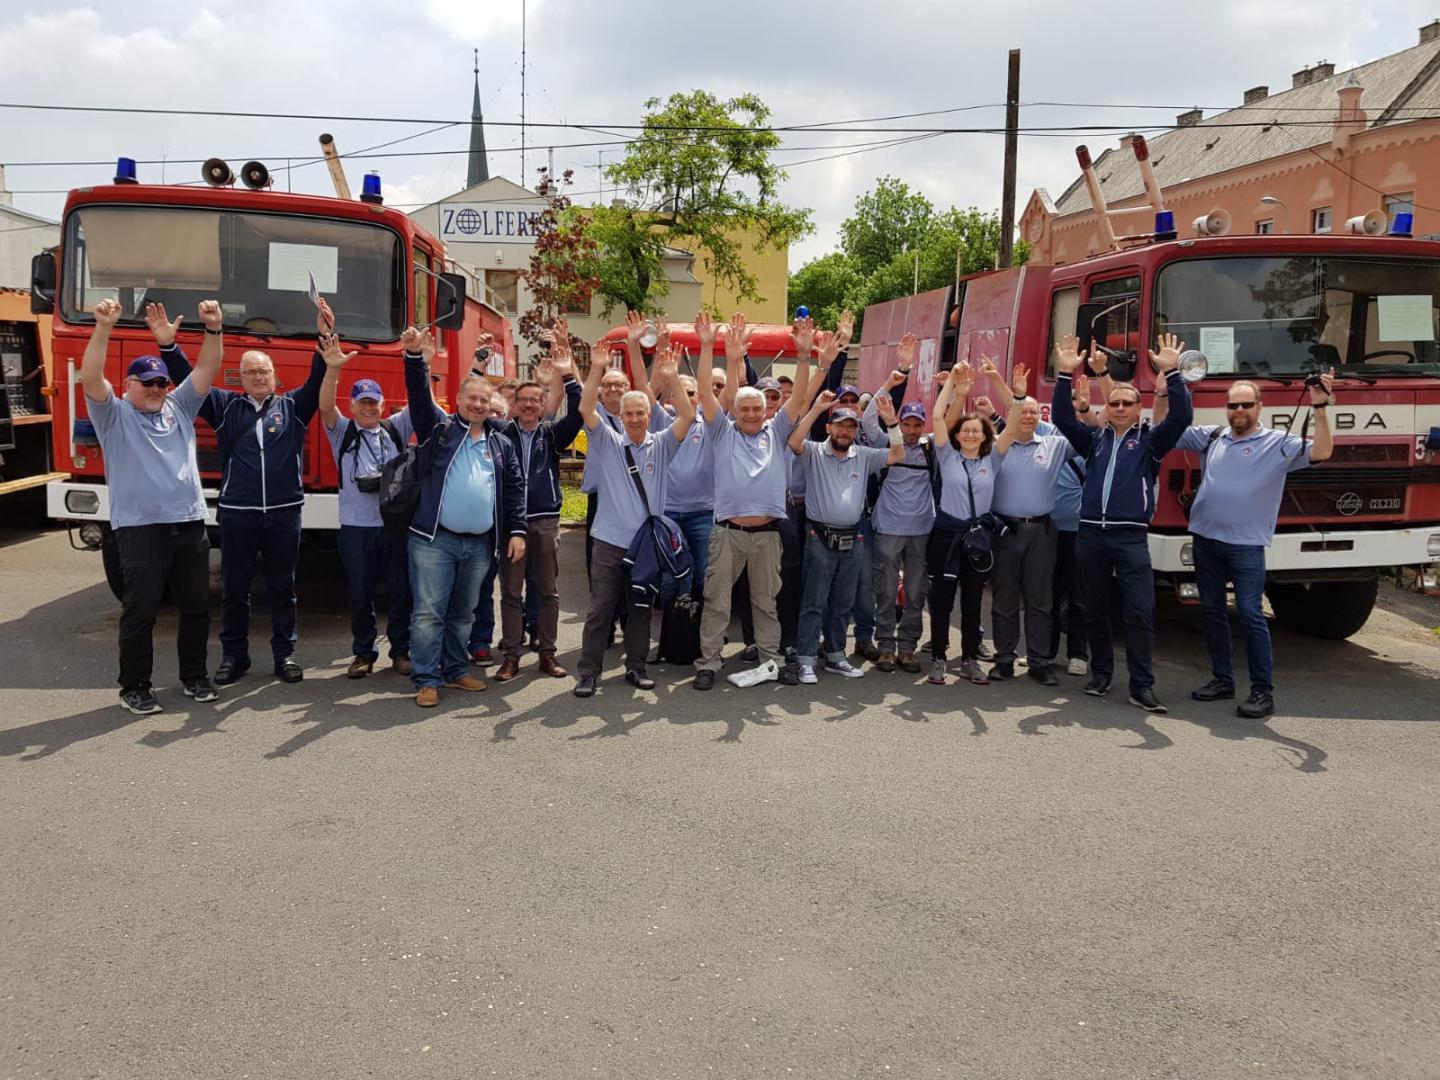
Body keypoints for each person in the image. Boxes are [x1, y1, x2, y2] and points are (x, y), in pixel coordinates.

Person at [158, 303, 327, 686]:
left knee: (283, 589)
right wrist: (169, 347)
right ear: (240, 376)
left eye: (264, 370)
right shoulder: (224, 405)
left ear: (274, 375)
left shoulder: (294, 406)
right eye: (250, 371)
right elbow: (189, 379)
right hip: (238, 513)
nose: (258, 376)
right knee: (234, 591)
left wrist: (323, 332)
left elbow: (319, 376)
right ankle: (235, 657)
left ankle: (285, 655)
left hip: (284, 513)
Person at [83, 298, 223, 715]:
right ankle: (134, 687)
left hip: (189, 523)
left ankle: (194, 677)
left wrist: (213, 328)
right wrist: (103, 328)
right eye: (147, 383)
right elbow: (90, 376)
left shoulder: (179, 407)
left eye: (161, 382)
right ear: (128, 384)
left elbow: (207, 367)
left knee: (196, 608)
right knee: (141, 612)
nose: (156, 389)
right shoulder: (113, 415)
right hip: (140, 528)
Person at [1179, 372, 1334, 719]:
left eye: (1246, 405)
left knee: (1250, 614)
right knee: (1213, 612)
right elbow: (1168, 431)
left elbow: (1323, 451)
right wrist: (1166, 390)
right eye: (1233, 405)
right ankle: (1222, 680)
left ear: (1259, 407)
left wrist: (1320, 406)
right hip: (1205, 539)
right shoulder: (1213, 437)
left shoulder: (1278, 443)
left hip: (1246, 545)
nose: (1239, 411)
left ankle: (1263, 692)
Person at [1052, 332, 1193, 713]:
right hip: (1090, 536)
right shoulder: (1094, 440)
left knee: (1139, 613)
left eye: (1126, 403)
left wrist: (1173, 373)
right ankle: (1101, 675)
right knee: (1094, 610)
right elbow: (1063, 418)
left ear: (1138, 408)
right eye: (1113, 402)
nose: (1118, 407)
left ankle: (1142, 686)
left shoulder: (1151, 441)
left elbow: (1182, 416)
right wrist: (1064, 374)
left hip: (1130, 539)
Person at [402, 328, 527, 708]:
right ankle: (427, 679)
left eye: (484, 400)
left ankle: (456, 670)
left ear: (491, 405)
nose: (478, 405)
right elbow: (418, 397)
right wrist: (414, 358)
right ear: (457, 400)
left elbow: (514, 490)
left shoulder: (501, 443)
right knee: (428, 614)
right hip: (434, 541)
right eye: (471, 398)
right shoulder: (438, 429)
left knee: (462, 614)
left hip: (478, 545)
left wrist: (517, 531)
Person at [692, 312, 814, 690]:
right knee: (717, 602)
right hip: (727, 533)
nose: (750, 414)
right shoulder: (721, 432)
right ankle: (708, 663)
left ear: (766, 412)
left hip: (767, 535)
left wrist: (804, 355)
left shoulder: (776, 432)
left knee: (766, 601)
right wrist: (710, 348)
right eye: (744, 408)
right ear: (736, 411)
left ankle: (771, 661)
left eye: (757, 409)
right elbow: (705, 393)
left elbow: (799, 397)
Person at [574, 342, 694, 697]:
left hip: (645, 547)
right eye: (629, 414)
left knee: (640, 610)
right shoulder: (608, 442)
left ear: (649, 414)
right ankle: (588, 673)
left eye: (641, 413)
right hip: (609, 542)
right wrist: (597, 368)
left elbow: (686, 416)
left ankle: (636, 667)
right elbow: (585, 407)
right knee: (600, 609)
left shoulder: (662, 444)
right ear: (621, 417)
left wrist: (672, 378)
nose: (636, 419)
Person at [316, 328, 421, 679]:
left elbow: (419, 402)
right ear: (353, 406)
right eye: (362, 402)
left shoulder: (394, 428)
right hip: (356, 528)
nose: (368, 408)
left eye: (373, 402)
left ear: (382, 405)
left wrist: (419, 361)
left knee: (401, 592)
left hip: (394, 527)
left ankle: (401, 651)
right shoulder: (342, 432)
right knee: (360, 594)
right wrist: (333, 370)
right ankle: (363, 653)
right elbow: (325, 406)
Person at [788, 387, 904, 684]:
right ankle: (806, 659)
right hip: (819, 537)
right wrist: (816, 408)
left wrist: (892, 423)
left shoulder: (863, 454)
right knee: (814, 601)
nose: (845, 432)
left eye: (851, 427)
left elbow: (897, 454)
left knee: (843, 602)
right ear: (829, 428)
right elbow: (794, 441)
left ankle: (835, 655)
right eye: (839, 426)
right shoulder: (814, 451)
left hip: (853, 538)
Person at [492, 332, 587, 683]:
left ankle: (547, 653)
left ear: (543, 404)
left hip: (546, 522)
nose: (530, 405)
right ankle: (511, 656)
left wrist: (567, 374)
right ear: (514, 406)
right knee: (511, 592)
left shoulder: (551, 434)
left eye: (536, 400)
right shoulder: (500, 435)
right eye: (524, 401)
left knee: (547, 590)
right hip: (511, 525)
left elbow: (578, 412)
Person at [988, 360, 1081, 687]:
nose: (1027, 416)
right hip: (1006, 531)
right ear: (1012, 414)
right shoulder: (997, 446)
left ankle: (1040, 661)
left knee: (1040, 600)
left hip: (1042, 531)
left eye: (1032, 412)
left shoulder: (1055, 445)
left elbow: (1087, 436)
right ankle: (1004, 658)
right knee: (1005, 598)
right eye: (1021, 411)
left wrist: (1083, 407)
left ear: (1039, 417)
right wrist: (1012, 392)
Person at [862, 333, 936, 673]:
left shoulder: (930, 448)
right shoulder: (886, 444)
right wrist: (894, 379)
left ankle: (908, 647)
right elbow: (867, 420)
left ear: (923, 425)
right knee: (887, 591)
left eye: (917, 424)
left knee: (916, 593)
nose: (911, 429)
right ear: (899, 423)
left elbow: (952, 425)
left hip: (921, 529)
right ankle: (886, 647)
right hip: (889, 528)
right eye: (906, 423)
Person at [924, 363, 998, 686]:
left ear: (984, 436)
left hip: (977, 539)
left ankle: (969, 660)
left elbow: (1012, 424)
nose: (970, 434)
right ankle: (939, 658)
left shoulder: (993, 459)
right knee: (941, 601)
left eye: (976, 431)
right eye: (965, 430)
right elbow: (937, 417)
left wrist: (1001, 385)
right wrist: (954, 387)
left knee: (972, 602)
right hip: (946, 534)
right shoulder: (947, 456)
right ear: (957, 435)